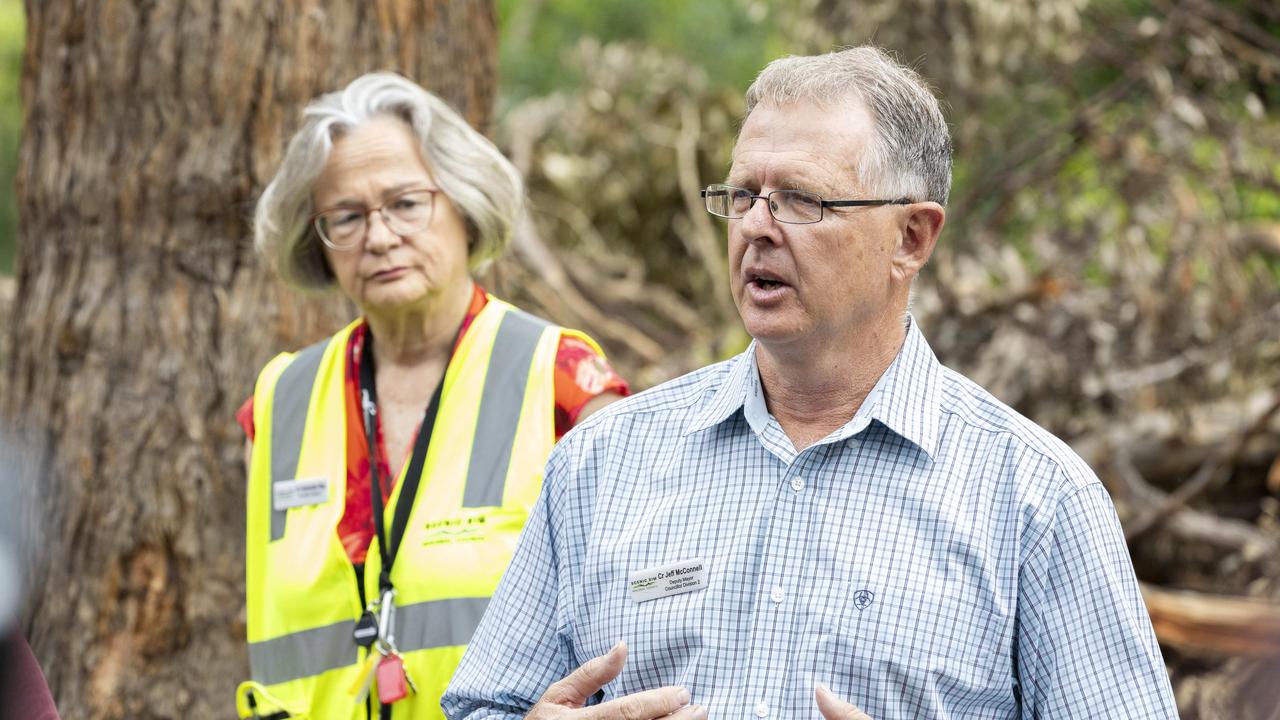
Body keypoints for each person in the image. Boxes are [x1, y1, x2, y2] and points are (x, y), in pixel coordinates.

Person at [442, 47, 1178, 719]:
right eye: (742, 195)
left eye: (802, 199)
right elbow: (484, 706)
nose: (756, 227)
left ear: (912, 238)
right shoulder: (602, 462)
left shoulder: (1036, 500)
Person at [236, 73, 628, 720]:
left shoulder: (561, 379)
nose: (380, 237)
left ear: (463, 203)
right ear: (319, 239)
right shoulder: (278, 403)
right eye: (347, 217)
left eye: (406, 204)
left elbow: (632, 614)